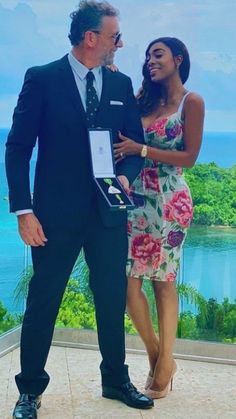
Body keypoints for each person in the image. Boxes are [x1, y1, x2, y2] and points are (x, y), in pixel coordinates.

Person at [5, 1, 154, 417]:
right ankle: (30, 391)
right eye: (114, 37)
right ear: (92, 38)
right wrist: (24, 210)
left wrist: (126, 174)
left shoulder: (121, 85)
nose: (119, 43)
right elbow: (18, 149)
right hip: (54, 216)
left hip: (108, 213)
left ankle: (115, 380)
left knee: (110, 298)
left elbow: (134, 147)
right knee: (44, 300)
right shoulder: (42, 79)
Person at [113, 37, 204, 399]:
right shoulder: (141, 101)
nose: (151, 61)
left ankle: (165, 363)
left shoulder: (190, 101)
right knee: (128, 283)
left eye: (158, 54)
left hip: (169, 199)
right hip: (135, 197)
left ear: (178, 58)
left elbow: (189, 157)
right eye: (148, 56)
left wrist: (143, 149)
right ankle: (157, 353)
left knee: (163, 282)